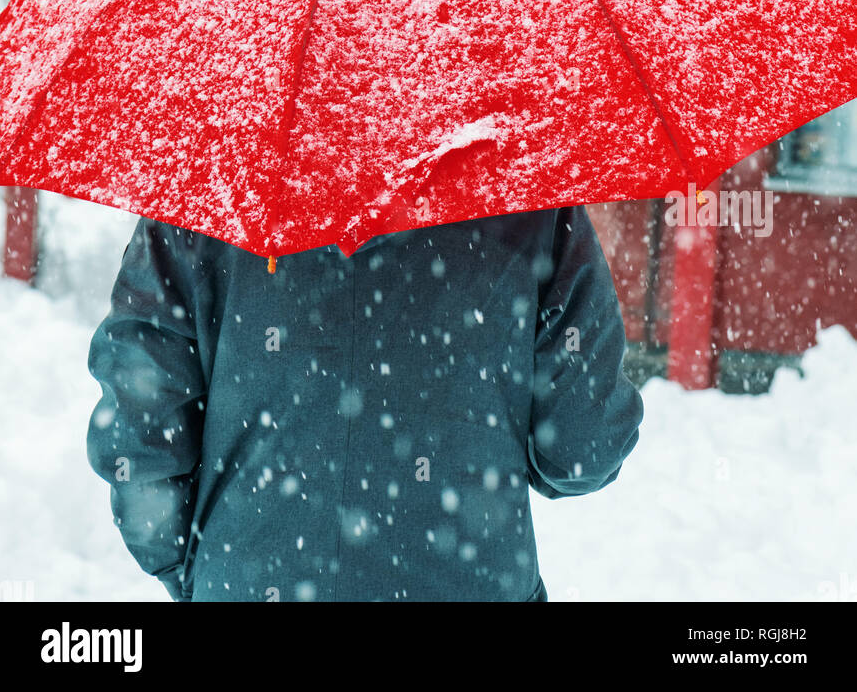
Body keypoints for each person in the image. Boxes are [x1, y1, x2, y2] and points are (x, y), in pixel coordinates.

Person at [87, 205, 643, 602]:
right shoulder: (528, 185)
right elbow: (582, 448)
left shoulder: (211, 183)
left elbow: (140, 434)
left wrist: (193, 571)